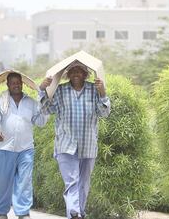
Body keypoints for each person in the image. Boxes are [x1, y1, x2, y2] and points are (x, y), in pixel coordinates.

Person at [39, 62, 111, 219]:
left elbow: (104, 113)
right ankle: (75, 213)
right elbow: (46, 109)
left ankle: (80, 213)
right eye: (72, 71)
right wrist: (42, 90)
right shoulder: (60, 90)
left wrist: (103, 93)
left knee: (84, 184)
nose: (76, 73)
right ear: (67, 74)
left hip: (88, 145)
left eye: (80, 71)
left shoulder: (94, 89)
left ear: (86, 75)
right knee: (71, 182)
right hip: (66, 144)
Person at [0, 72, 48, 219]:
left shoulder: (30, 102)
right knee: (3, 183)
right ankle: (2, 213)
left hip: (26, 149)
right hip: (5, 149)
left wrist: (45, 107)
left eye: (18, 82)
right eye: (13, 82)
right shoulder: (0, 101)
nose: (16, 85)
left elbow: (40, 122)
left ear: (22, 84)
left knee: (24, 181)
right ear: (8, 85)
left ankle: (23, 212)